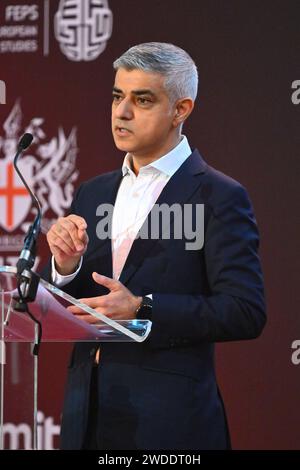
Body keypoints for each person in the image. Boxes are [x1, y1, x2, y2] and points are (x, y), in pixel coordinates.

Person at [44, 42, 266, 450]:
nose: (121, 112)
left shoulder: (218, 196)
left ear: (180, 110)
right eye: (117, 96)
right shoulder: (93, 193)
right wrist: (65, 266)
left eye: (141, 100)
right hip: (86, 416)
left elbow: (245, 311)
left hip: (168, 422)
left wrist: (144, 308)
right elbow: (69, 305)